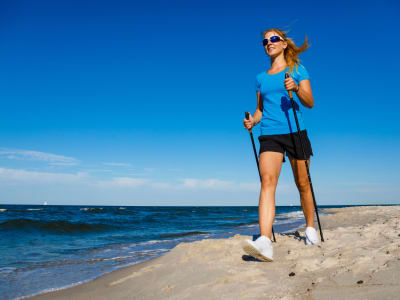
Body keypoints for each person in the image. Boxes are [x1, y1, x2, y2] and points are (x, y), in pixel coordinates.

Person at [242, 28, 319, 262]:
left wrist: (295, 88)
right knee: (267, 181)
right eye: (265, 41)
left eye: (274, 39)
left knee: (303, 183)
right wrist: (252, 121)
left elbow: (310, 102)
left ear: (284, 44)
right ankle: (265, 241)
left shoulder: (297, 70)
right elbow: (260, 110)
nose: (269, 43)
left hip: (295, 131)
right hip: (270, 134)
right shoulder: (260, 78)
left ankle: (310, 227)